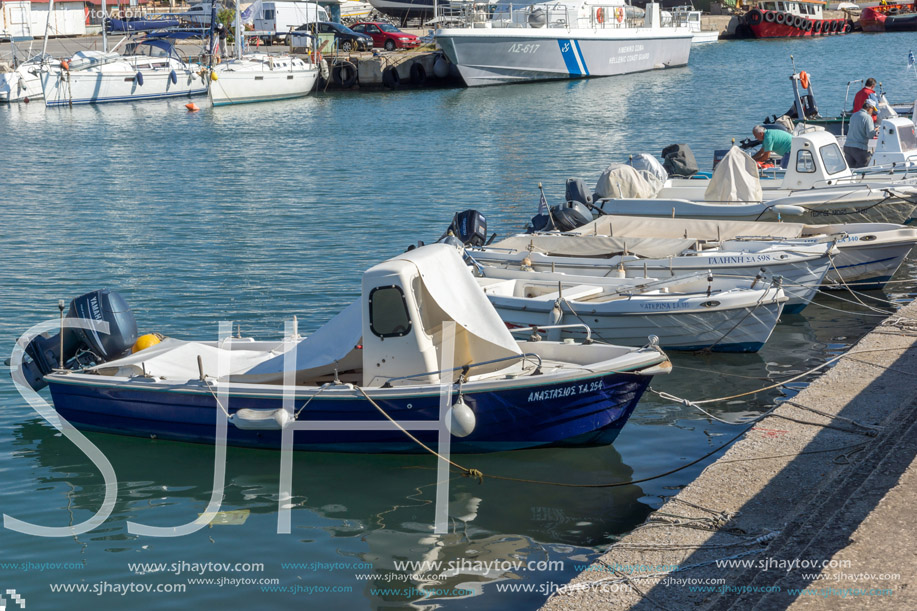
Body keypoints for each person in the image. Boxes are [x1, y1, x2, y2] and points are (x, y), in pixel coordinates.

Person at [844, 96, 878, 168]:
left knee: (851, 170)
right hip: (859, 148)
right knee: (863, 168)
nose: (873, 112)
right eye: (873, 109)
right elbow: (870, 135)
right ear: (870, 108)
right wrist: (875, 131)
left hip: (847, 147)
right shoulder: (868, 117)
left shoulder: (854, 115)